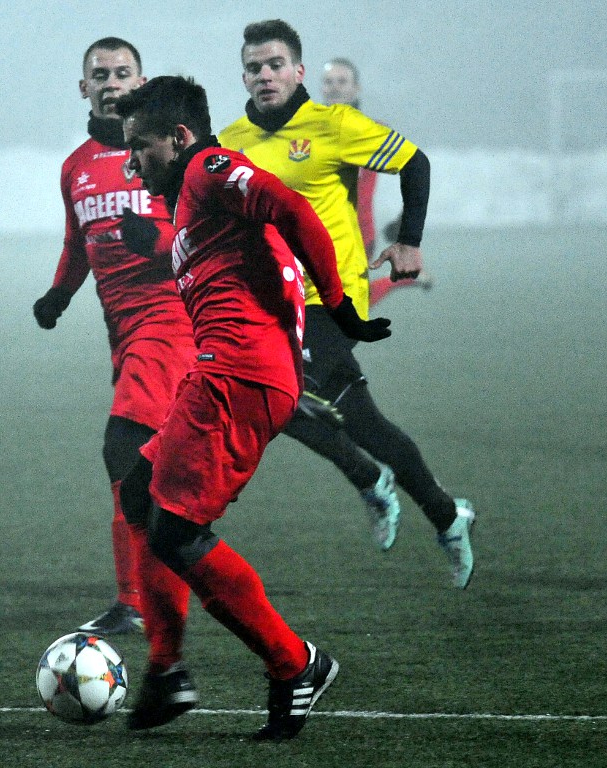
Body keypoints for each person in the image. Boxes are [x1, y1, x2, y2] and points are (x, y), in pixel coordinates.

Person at [115, 75, 391, 739]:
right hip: (230, 372)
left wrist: (342, 309)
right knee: (138, 493)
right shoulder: (193, 202)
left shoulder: (209, 168)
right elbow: (240, 258)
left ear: (180, 136)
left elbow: (292, 210)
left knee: (177, 531)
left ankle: (294, 663)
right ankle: (166, 669)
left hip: (239, 375)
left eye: (141, 147)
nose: (133, 164)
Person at [219, 20, 476, 589]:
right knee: (286, 407)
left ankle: (390, 489)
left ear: (297, 71)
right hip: (270, 300)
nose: (265, 75)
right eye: (255, 67)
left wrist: (409, 241)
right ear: (243, 77)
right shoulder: (231, 142)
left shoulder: (334, 125)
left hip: (329, 296)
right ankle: (429, 506)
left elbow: (415, 163)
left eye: (276, 64)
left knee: (308, 397)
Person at [32, 38, 197, 635]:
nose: (111, 83)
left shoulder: (166, 151)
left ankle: (135, 602)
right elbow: (77, 242)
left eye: (122, 73)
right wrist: (59, 294)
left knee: (122, 449)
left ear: (140, 82)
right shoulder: (75, 167)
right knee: (157, 468)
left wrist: (157, 242)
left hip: (170, 321)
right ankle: (171, 579)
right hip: (124, 334)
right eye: (99, 75)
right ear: (84, 87)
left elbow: (205, 229)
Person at [320, 57, 434, 307]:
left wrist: (406, 222)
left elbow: (414, 169)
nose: (335, 87)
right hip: (317, 233)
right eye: (329, 81)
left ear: (356, 88)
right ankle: (405, 279)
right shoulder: (308, 132)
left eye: (342, 81)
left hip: (358, 235)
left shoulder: (375, 131)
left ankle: (404, 279)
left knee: (341, 306)